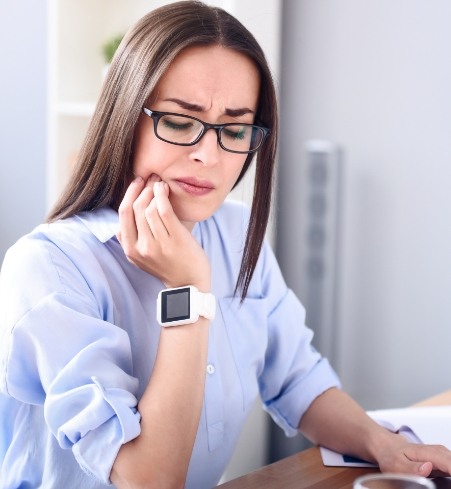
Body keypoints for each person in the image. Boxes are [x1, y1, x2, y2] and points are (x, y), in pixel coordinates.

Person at [1, 1, 450, 488]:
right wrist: (188, 290)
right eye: (177, 121)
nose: (209, 155)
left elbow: (299, 378)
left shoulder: (234, 231)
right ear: (125, 117)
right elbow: (149, 479)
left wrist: (385, 444)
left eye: (235, 130)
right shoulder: (49, 267)